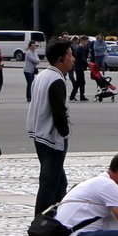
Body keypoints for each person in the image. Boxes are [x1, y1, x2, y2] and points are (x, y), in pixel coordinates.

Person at [26, 40, 74, 216]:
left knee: (60, 182)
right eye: (70, 54)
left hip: (39, 135)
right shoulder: (56, 79)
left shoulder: (43, 76)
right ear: (61, 59)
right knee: (50, 182)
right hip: (51, 138)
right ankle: (42, 219)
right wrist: (65, 132)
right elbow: (58, 112)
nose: (73, 58)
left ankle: (59, 216)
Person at [69, 36, 89, 102]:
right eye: (86, 41)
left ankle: (74, 95)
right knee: (81, 82)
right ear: (83, 40)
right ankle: (80, 96)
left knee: (79, 82)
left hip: (77, 67)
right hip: (79, 67)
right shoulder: (81, 48)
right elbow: (83, 58)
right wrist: (88, 65)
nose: (87, 42)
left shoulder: (78, 47)